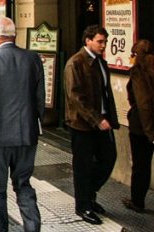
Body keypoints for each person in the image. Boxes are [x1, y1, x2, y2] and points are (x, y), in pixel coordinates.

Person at [0, 18, 44, 232]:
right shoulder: (33, 58)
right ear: (15, 35)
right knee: (23, 184)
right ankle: (32, 227)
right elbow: (40, 96)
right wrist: (36, 125)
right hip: (26, 135)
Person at [64, 25, 119, 225]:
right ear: (88, 40)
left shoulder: (100, 63)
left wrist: (108, 118)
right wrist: (97, 119)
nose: (103, 45)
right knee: (83, 165)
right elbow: (76, 96)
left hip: (102, 121)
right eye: (100, 41)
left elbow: (105, 93)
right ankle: (84, 205)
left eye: (105, 42)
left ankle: (89, 193)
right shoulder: (76, 63)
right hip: (83, 124)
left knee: (108, 158)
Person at [122, 39, 154, 213]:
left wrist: (150, 132)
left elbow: (143, 104)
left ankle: (137, 201)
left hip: (142, 128)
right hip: (147, 127)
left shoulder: (138, 73)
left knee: (141, 165)